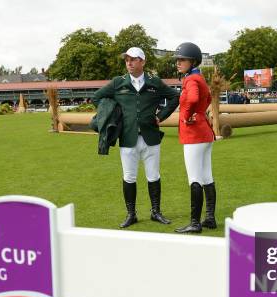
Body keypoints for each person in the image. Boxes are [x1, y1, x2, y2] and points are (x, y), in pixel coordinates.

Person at [93, 47, 180, 228]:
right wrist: (112, 115)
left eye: (133, 59)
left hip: (151, 137)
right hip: (128, 138)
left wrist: (161, 116)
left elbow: (175, 97)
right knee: (129, 177)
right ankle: (131, 214)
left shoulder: (155, 82)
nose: (129, 63)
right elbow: (97, 97)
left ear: (142, 61)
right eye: (126, 60)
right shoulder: (118, 82)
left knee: (153, 176)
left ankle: (156, 212)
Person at [173, 42, 217, 234]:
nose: (178, 62)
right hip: (205, 132)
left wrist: (185, 115)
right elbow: (207, 99)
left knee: (194, 178)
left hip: (193, 133)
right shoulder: (199, 77)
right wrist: (198, 113)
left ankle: (195, 223)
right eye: (178, 59)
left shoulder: (190, 80)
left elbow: (191, 99)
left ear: (192, 61)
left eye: (182, 59)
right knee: (207, 175)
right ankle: (209, 218)